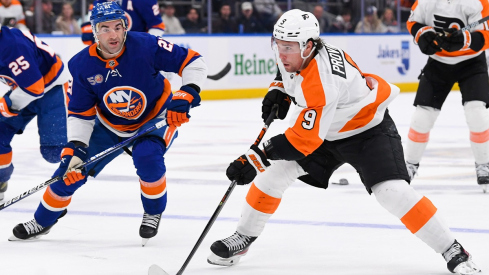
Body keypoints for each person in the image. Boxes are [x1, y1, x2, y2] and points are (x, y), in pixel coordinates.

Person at [207, 9, 480, 275]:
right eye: (278, 44)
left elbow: (302, 140)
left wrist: (254, 159)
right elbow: (286, 73)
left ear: (308, 46)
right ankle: (243, 237)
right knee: (270, 178)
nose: (281, 52)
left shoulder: (322, 80)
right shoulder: (300, 51)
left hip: (367, 132)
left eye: (287, 47)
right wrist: (278, 90)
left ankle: (452, 249)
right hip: (327, 129)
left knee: (392, 192)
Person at [8, 1, 207, 246]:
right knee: (69, 172)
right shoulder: (81, 65)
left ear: (125, 27)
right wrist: (77, 147)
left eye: (118, 27)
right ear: (94, 31)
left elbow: (193, 61)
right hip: (108, 125)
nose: (113, 35)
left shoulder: (146, 45)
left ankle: (153, 211)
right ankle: (43, 220)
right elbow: (80, 112)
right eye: (105, 28)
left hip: (154, 119)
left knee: (147, 158)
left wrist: (187, 93)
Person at [405, 0, 489, 192]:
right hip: (438, 63)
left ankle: (485, 164)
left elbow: (486, 36)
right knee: (422, 117)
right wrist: (422, 34)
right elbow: (413, 22)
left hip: (471, 63)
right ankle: (409, 165)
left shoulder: (478, 2)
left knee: (476, 112)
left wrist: (465, 40)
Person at [0, 25, 70, 201]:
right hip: (23, 89)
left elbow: (34, 88)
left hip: (52, 89)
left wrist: (6, 104)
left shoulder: (11, 46)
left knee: (54, 153)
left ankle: (101, 130)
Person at [81, 0, 165, 46]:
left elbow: (157, 26)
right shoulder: (97, 3)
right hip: (110, 53)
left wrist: (145, 46)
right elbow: (88, 38)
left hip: (137, 51)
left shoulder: (143, 1)